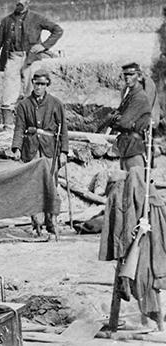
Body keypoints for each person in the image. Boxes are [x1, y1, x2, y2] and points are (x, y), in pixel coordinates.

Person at [99, 62, 162, 331]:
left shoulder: (138, 96)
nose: (126, 78)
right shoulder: (128, 94)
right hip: (126, 147)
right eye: (124, 75)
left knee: (135, 186)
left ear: (138, 77)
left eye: (130, 75)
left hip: (135, 147)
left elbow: (123, 121)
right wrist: (116, 119)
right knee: (126, 184)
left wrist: (115, 119)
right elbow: (119, 119)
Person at [0, 0, 63, 127]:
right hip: (12, 58)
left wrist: (44, 46)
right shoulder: (6, 21)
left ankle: (32, 127)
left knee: (33, 93)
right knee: (9, 94)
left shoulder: (37, 18)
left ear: (28, 0)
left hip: (32, 60)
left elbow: (57, 30)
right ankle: (8, 128)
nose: (20, 2)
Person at [8, 69, 68, 240]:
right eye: (36, 83)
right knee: (33, 186)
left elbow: (63, 129)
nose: (39, 87)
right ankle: (37, 225)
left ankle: (52, 222)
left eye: (42, 84)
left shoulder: (55, 103)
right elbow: (19, 127)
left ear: (47, 85)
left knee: (51, 185)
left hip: (50, 149)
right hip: (31, 149)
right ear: (32, 83)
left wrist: (64, 152)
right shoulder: (24, 105)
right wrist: (17, 148)